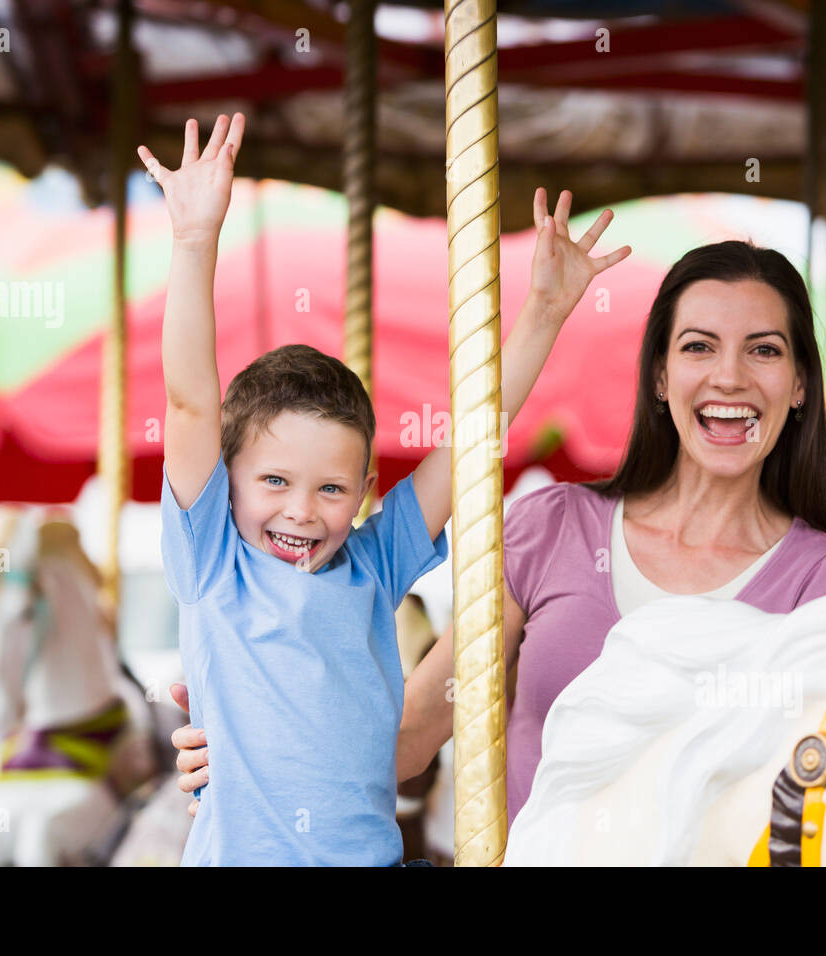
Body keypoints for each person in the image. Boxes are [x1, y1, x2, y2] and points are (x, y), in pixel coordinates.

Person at [167, 226, 826, 837]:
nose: (729, 376)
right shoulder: (555, 531)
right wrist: (249, 740)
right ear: (661, 375)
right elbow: (408, 739)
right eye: (699, 346)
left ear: (799, 385)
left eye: (763, 350)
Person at [138, 113, 630, 864]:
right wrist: (194, 240)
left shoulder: (372, 567)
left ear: (368, 488)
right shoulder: (213, 566)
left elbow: (470, 445)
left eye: (332, 489)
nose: (302, 510)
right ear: (225, 481)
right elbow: (190, 402)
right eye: (274, 481)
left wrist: (544, 312)